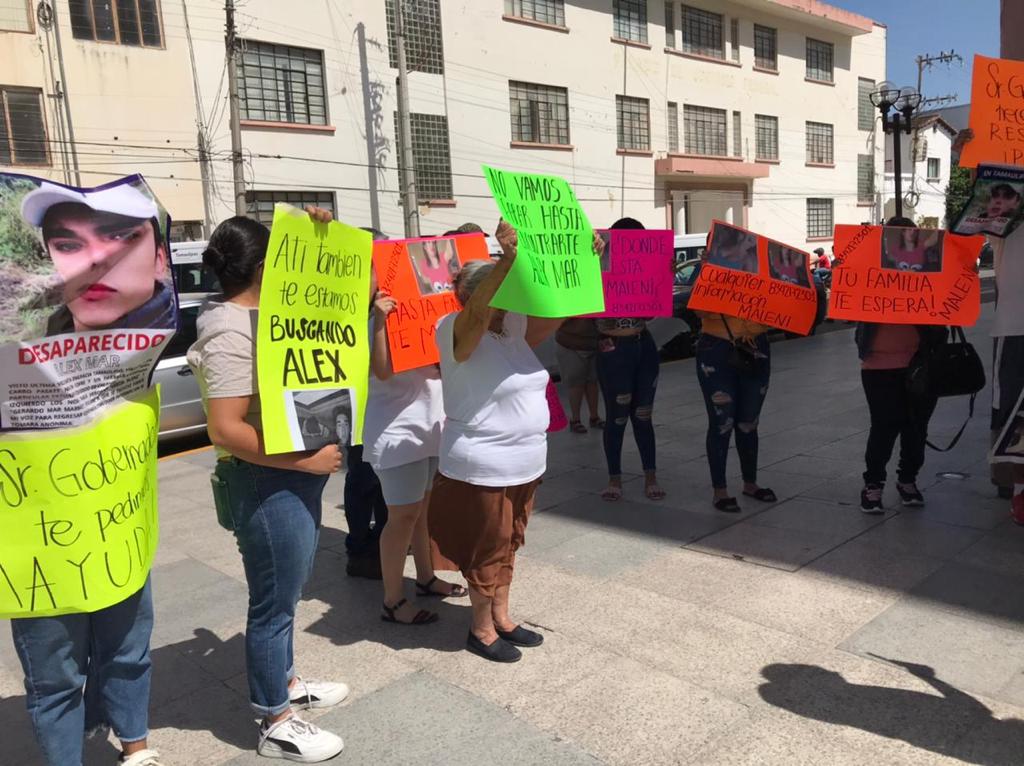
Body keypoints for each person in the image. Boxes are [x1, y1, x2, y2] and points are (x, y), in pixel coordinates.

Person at [187, 209, 349, 762]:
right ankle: (272, 717)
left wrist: (314, 230)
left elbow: (330, 278)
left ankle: (284, 681)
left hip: (290, 474)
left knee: (291, 587)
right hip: (266, 479)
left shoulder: (271, 311)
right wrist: (305, 464)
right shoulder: (230, 328)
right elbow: (226, 427)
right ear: (262, 266)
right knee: (273, 601)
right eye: (281, 254)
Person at [429, 220, 603, 663]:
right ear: (471, 296)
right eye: (499, 289)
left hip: (525, 462)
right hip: (481, 466)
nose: (509, 298)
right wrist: (507, 259)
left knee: (510, 542)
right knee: (487, 548)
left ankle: (502, 618)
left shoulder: (513, 330)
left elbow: (565, 307)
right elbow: (477, 318)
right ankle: (480, 629)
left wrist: (587, 260)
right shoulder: (453, 330)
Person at [365, 289, 468, 626]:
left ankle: (425, 577)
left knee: (422, 511)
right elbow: (381, 371)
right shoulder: (370, 320)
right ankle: (392, 600)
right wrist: (380, 322)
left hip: (430, 426)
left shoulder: (427, 310)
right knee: (402, 517)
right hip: (397, 432)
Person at [9, 580, 162, 766]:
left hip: (117, 558)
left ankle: (137, 755)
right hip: (36, 567)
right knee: (56, 681)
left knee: (128, 655)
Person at [856, 218, 947, 514]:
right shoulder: (869, 269)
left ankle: (907, 480)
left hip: (920, 364)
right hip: (878, 364)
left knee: (916, 428)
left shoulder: (931, 269)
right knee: (883, 427)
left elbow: (946, 311)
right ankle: (873, 485)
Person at [20, 180, 175, 335]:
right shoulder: (45, 341)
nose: (96, 258)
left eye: (121, 237)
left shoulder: (189, 347)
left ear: (159, 260)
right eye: (67, 246)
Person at [695, 235, 776, 512]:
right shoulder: (708, 271)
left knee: (748, 422)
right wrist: (710, 274)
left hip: (756, 349)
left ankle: (750, 483)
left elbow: (783, 308)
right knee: (722, 422)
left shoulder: (762, 273)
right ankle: (720, 490)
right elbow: (699, 309)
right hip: (716, 350)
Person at [593, 218, 664, 501]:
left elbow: (650, 314)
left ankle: (651, 476)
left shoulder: (644, 268)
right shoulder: (596, 265)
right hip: (612, 348)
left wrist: (661, 276)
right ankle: (615, 478)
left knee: (643, 415)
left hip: (642, 345)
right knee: (617, 416)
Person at [555, 317, 603, 433]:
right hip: (569, 343)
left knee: (592, 381)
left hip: (593, 342)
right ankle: (575, 420)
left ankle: (594, 417)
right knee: (576, 383)